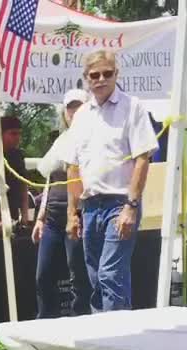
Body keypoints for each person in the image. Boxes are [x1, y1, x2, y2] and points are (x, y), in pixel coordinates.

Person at [64, 51, 159, 312]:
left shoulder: (133, 107)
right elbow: (73, 166)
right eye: (95, 75)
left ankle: (119, 339)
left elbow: (143, 159)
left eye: (107, 73)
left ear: (117, 74)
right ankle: (104, 336)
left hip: (120, 203)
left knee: (110, 274)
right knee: (96, 278)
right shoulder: (81, 115)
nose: (101, 79)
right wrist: (73, 213)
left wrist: (131, 205)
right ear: (86, 79)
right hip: (90, 206)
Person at [32, 89, 92, 318]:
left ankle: (81, 322)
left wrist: (74, 214)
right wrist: (40, 217)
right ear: (64, 112)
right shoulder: (61, 140)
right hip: (52, 218)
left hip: (78, 214)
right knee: (43, 276)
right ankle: (44, 322)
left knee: (78, 275)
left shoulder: (90, 139)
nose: (74, 111)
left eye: (79, 106)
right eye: (70, 107)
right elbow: (48, 178)